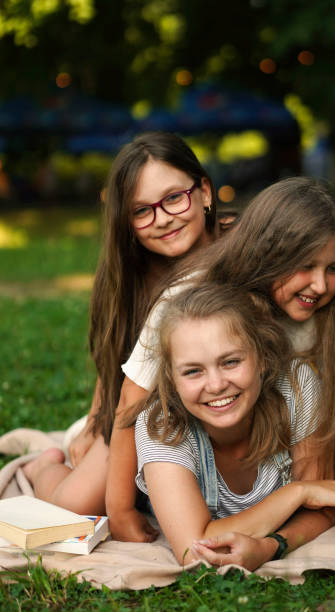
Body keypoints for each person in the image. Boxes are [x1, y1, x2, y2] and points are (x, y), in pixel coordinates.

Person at [122, 176, 335, 537]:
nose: (319, 285)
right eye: (305, 265)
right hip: (163, 425)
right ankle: (44, 467)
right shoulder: (190, 302)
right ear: (268, 254)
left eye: (334, 268)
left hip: (276, 441)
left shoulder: (332, 318)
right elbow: (130, 402)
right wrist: (120, 508)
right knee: (82, 494)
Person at [23, 131, 220, 540]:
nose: (162, 218)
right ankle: (42, 464)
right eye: (142, 210)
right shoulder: (135, 278)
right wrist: (97, 422)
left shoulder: (242, 251)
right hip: (135, 418)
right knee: (73, 506)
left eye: (173, 198)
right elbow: (117, 363)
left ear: (204, 192)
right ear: (126, 223)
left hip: (211, 405)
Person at [135, 282, 335, 570]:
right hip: (139, 465)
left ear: (263, 359)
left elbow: (323, 508)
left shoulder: (295, 388)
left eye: (230, 362)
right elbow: (193, 549)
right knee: (76, 496)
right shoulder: (161, 426)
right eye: (193, 371)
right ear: (172, 379)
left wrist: (270, 546)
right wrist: (298, 492)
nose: (216, 385)